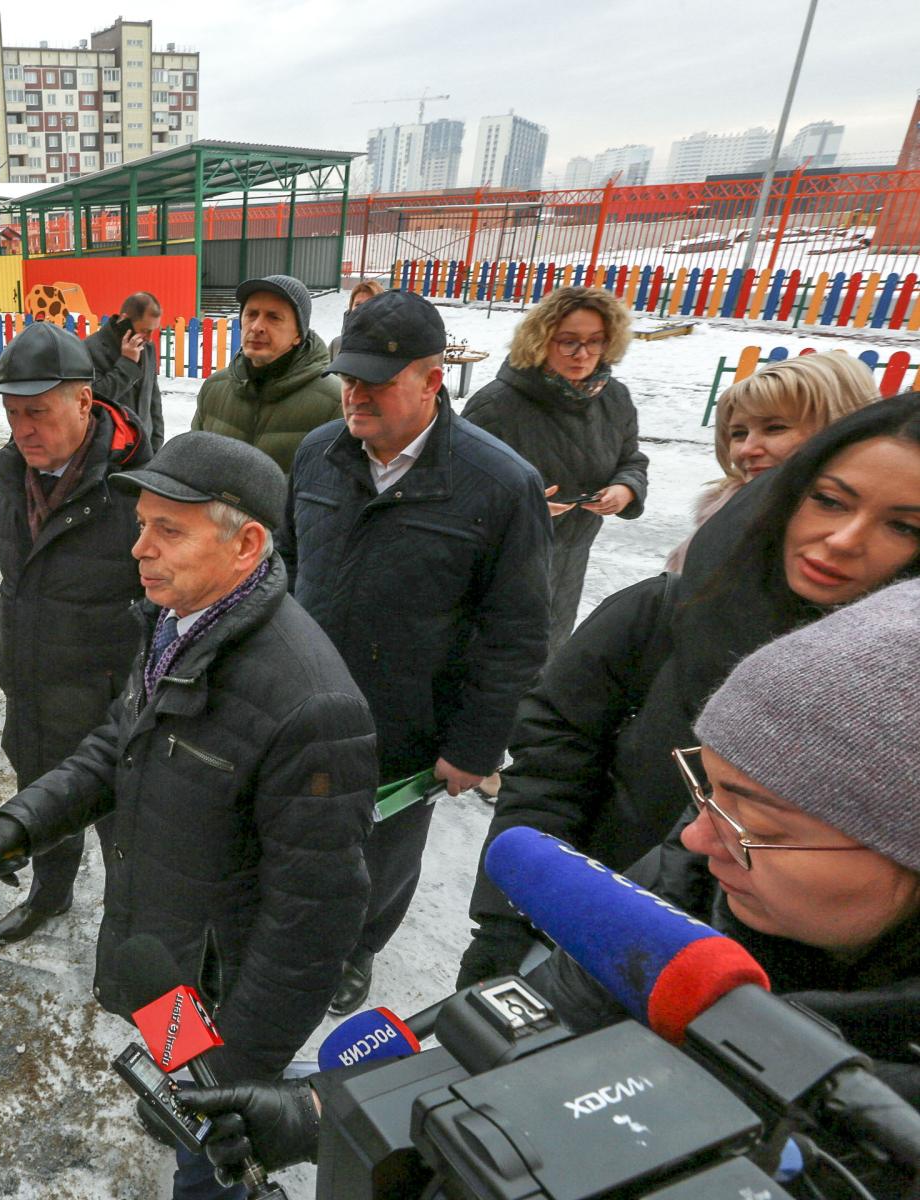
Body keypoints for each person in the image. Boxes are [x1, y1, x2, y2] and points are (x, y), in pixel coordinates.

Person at [179, 580, 920, 1200]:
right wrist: (313, 1113)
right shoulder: (684, 888)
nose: (696, 837)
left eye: (759, 823)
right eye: (708, 791)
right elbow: (538, 1026)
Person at [0, 432, 378, 1200]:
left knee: (209, 1144)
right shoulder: (178, 623)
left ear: (246, 543)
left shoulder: (313, 705)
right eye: (141, 525)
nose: (139, 550)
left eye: (168, 531)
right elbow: (124, 740)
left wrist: (232, 1072)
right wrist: (29, 818)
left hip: (229, 986)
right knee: (176, 1079)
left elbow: (315, 921)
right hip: (171, 954)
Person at [458, 393, 920, 985]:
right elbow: (551, 758)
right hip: (579, 928)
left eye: (904, 525)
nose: (842, 539)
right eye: (829, 500)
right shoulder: (666, 609)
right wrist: (508, 917)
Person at [281, 289, 551, 1015]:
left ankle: (357, 947)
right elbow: (284, 563)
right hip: (303, 707)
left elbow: (517, 634)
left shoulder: (498, 487)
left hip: (405, 726)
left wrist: (475, 744)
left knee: (379, 857)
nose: (356, 395)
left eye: (378, 380)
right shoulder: (317, 455)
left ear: (433, 381)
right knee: (292, 833)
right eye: (349, 376)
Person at [0, 321, 148, 944]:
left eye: (38, 413)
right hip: (32, 693)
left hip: (111, 711)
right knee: (43, 808)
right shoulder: (5, 480)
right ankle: (52, 894)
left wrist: (133, 701)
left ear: (83, 400)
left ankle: (129, 928)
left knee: (126, 835)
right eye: (13, 413)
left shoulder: (139, 490)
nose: (22, 430)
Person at [462, 286, 649, 653]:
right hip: (501, 569)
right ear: (541, 339)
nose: (583, 354)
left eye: (595, 341)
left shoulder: (615, 399)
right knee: (491, 666)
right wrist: (523, 508)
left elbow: (631, 459)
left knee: (548, 657)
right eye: (568, 342)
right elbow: (455, 487)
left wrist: (625, 488)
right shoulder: (496, 406)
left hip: (570, 563)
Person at [665, 350, 879, 571]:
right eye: (738, 433)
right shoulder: (730, 512)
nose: (748, 449)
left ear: (841, 428)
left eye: (775, 428)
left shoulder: (855, 538)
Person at [191, 275, 342, 473]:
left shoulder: (334, 401)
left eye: (274, 317)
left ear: (299, 334)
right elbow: (192, 465)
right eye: (251, 314)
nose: (257, 327)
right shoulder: (214, 388)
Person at [84, 290, 165, 453]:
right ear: (124, 320)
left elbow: (153, 396)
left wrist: (156, 442)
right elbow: (93, 400)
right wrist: (127, 364)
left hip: (143, 448)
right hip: (107, 451)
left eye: (153, 330)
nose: (149, 338)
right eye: (145, 330)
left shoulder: (147, 347)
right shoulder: (90, 349)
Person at [326, 278, 384, 360]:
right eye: (357, 304)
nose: (362, 309)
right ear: (351, 308)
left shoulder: (390, 349)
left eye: (369, 303)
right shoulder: (336, 345)